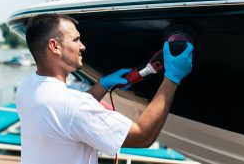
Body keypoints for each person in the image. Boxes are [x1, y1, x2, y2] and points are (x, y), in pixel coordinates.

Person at [16, 13, 193, 164]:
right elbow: (142, 137)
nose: (82, 46)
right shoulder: (72, 106)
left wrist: (102, 85)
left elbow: (66, 119)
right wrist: (172, 78)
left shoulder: (27, 87)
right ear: (54, 46)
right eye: (76, 40)